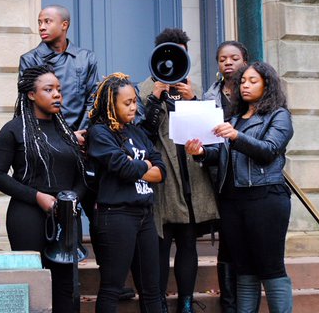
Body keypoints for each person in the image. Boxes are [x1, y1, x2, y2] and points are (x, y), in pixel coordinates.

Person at [185, 61, 294, 313]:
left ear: (267, 85)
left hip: (266, 198)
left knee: (270, 267)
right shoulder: (234, 118)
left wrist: (235, 136)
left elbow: (268, 151)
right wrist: (201, 153)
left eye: (253, 81)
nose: (245, 85)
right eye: (243, 81)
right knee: (243, 269)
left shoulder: (279, 116)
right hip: (233, 202)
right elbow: (220, 155)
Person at [0, 65, 87, 313]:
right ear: (31, 94)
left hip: (66, 216)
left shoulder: (66, 133)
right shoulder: (14, 130)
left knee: (67, 284)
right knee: (33, 283)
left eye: (59, 90)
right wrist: (37, 196)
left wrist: (73, 199)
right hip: (28, 215)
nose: (57, 95)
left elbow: (82, 177)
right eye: (49, 89)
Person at [138, 28, 219, 313]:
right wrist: (155, 98)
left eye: (183, 53)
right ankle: (157, 301)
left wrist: (194, 100)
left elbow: (208, 132)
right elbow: (141, 133)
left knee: (187, 242)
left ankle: (186, 301)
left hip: (190, 178)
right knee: (160, 243)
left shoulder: (191, 87)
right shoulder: (144, 89)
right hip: (162, 178)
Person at [87, 73, 166, 313]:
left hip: (144, 215)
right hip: (116, 216)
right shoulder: (100, 133)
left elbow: (161, 170)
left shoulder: (137, 132)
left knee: (152, 290)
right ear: (112, 104)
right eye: (127, 103)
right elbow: (122, 167)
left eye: (134, 101)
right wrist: (144, 167)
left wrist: (137, 166)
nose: (134, 107)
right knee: (112, 288)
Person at [202, 40, 249, 312]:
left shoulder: (255, 93)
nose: (227, 63)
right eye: (222, 59)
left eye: (233, 57)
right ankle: (229, 303)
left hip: (249, 175)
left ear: (244, 60)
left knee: (244, 240)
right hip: (219, 175)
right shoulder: (210, 96)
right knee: (228, 240)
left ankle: (244, 299)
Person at [19, 5, 98, 134]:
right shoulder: (29, 60)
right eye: (39, 22)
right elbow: (28, 104)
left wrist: (81, 132)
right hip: (45, 138)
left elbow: (93, 100)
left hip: (81, 136)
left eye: (47, 21)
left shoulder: (86, 58)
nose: (41, 27)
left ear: (64, 25)